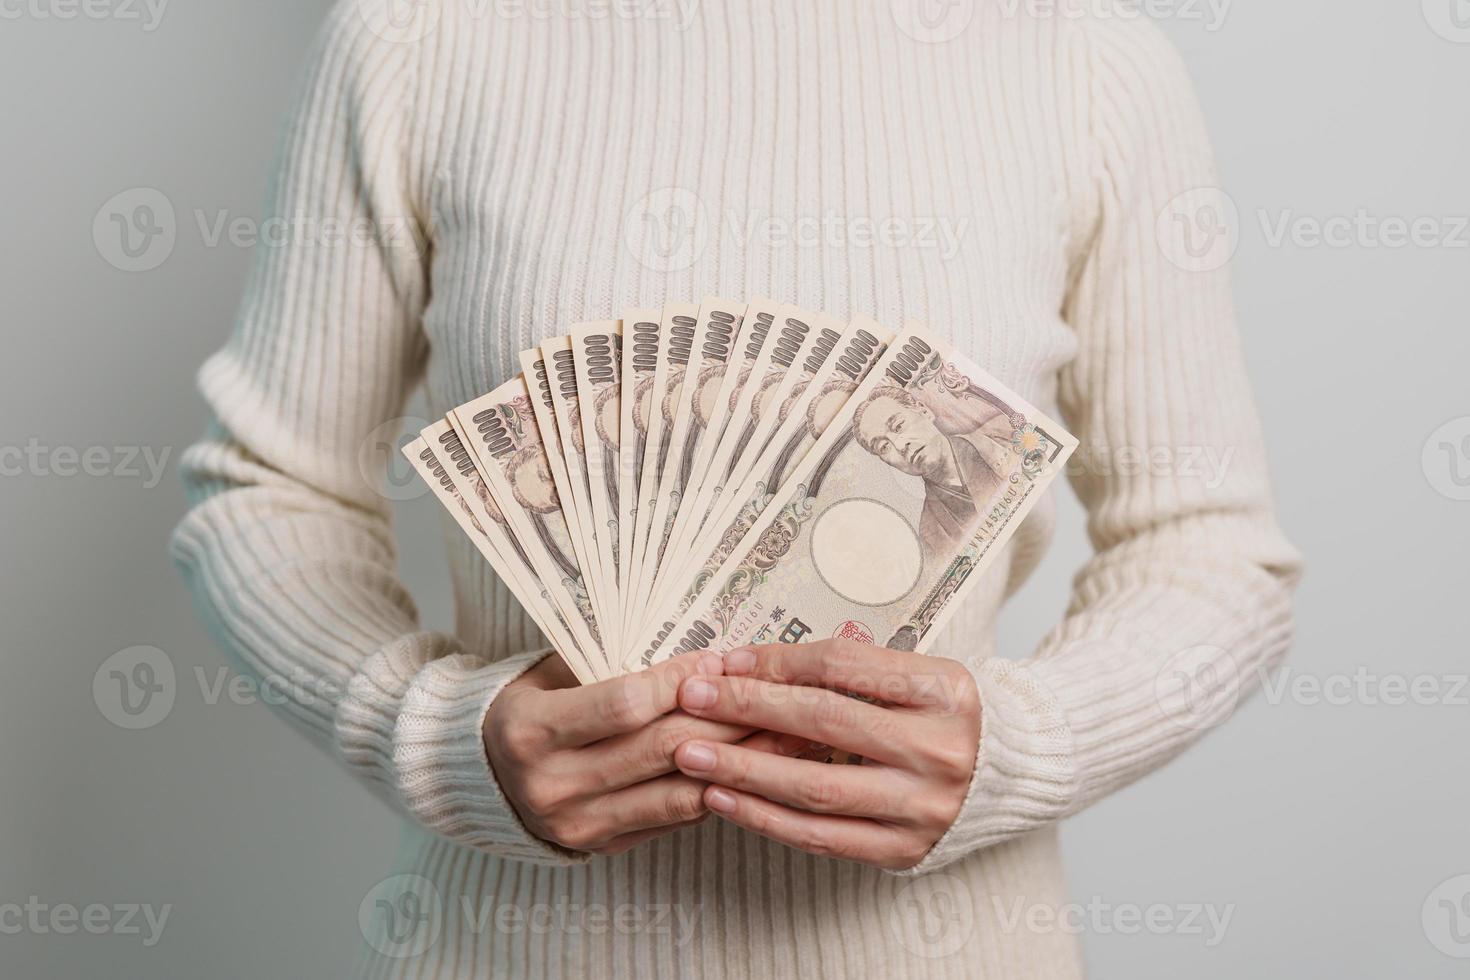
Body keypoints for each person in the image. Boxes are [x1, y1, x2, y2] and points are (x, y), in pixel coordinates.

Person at [172, 3, 1301, 976]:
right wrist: (431, 735)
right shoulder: (419, 40)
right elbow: (268, 491)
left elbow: (1208, 547)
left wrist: (1021, 744)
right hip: (505, 945)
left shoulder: (1087, 63)